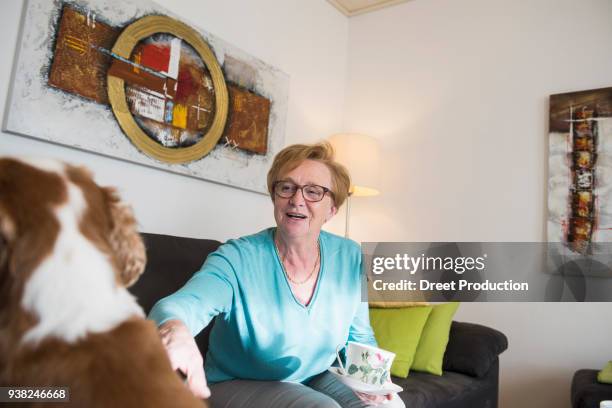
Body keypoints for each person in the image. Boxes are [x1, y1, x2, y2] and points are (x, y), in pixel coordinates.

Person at [149, 142, 404, 408]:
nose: (297, 199)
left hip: (313, 377)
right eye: (286, 187)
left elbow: (359, 336)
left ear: (332, 210)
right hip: (239, 381)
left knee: (388, 407)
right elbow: (183, 305)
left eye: (313, 192)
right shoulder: (237, 257)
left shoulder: (350, 256)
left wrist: (375, 383)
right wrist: (174, 328)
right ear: (275, 197)